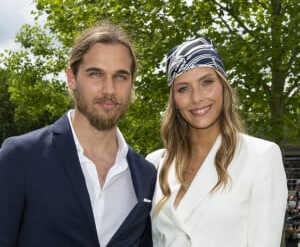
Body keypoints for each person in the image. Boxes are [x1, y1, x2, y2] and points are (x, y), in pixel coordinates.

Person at [0, 22, 156, 247]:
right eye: (96, 74)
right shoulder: (21, 156)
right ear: (72, 78)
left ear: (132, 83)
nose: (109, 89)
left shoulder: (145, 175)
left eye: (120, 76)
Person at [146, 37, 288, 246]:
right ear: (174, 100)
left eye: (206, 82)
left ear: (223, 86)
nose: (197, 98)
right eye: (183, 88)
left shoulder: (261, 157)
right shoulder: (156, 163)